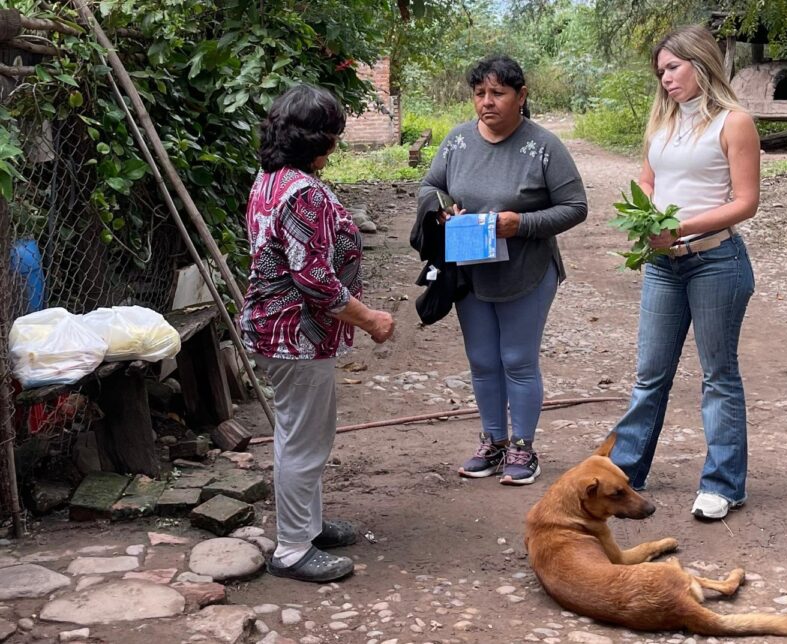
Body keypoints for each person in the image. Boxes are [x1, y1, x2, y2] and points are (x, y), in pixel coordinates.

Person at [240, 84, 395, 583]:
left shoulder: (270, 180)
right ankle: (291, 549)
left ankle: (305, 525)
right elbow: (315, 280)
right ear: (322, 139)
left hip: (280, 329)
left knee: (303, 433)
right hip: (296, 335)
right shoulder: (303, 191)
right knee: (303, 440)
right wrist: (370, 319)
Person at [609, 25, 760, 521]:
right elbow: (648, 180)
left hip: (716, 261)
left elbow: (746, 203)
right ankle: (625, 473)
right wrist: (646, 214)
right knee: (650, 374)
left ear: (701, 62)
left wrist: (680, 228)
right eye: (661, 72)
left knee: (718, 375)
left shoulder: (733, 122)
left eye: (673, 67)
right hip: (663, 264)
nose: (666, 79)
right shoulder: (662, 122)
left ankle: (723, 483)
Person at [416, 55, 588, 486]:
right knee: (481, 360)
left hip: (526, 270)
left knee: (517, 359)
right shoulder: (456, 142)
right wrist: (439, 211)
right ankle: (492, 441)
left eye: (498, 93)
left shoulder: (544, 146)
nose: (487, 103)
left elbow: (576, 207)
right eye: (479, 94)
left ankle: (522, 447)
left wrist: (522, 224)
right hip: (470, 268)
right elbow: (430, 185)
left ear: (521, 95)